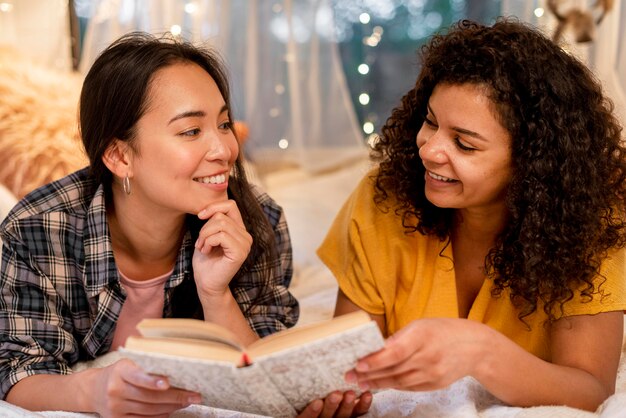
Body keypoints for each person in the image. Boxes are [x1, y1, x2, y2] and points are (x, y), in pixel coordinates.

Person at [0, 32, 364, 418]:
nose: (224, 151)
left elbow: (263, 370)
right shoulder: (36, 230)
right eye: (191, 131)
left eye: (224, 124)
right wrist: (93, 391)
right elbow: (18, 373)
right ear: (119, 156)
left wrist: (216, 292)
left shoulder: (258, 220)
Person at [318, 19, 626, 412]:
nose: (428, 150)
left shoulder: (588, 222)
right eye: (430, 122)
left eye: (464, 144)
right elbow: (348, 367)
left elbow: (590, 390)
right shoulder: (383, 198)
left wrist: (481, 353)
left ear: (532, 165)